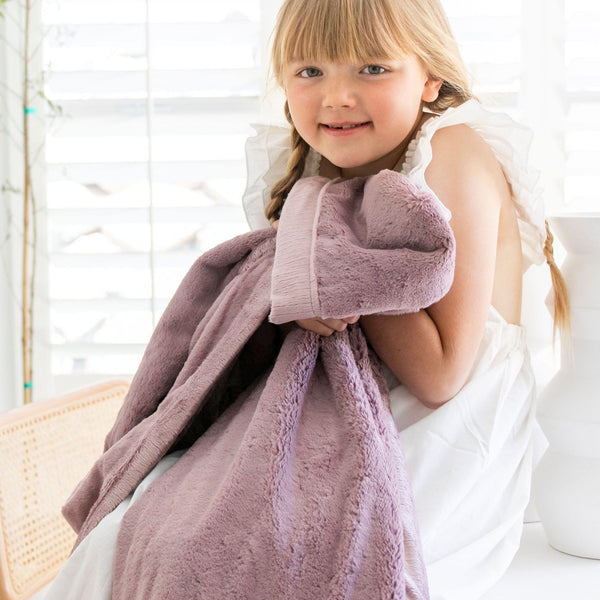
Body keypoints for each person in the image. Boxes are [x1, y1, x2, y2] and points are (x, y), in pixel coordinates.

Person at [44, 1, 569, 599]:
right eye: (311, 71)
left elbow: (442, 375)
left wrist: (334, 277)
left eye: (373, 68)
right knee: (145, 525)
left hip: (447, 432)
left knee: (261, 553)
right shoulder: (316, 172)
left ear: (430, 77)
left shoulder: (452, 152)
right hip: (326, 411)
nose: (337, 97)